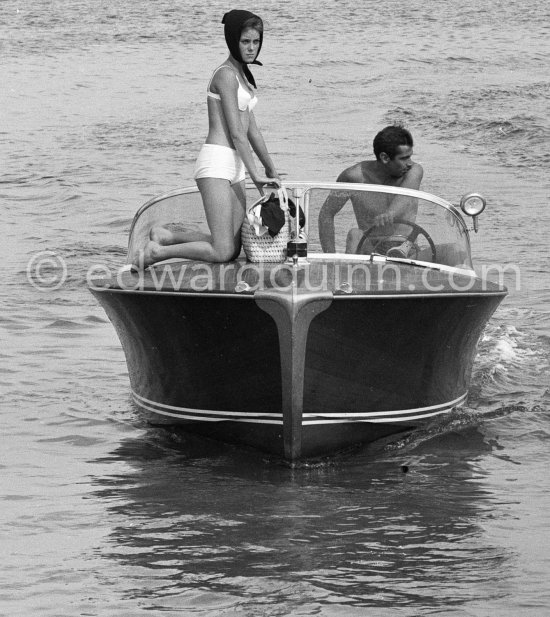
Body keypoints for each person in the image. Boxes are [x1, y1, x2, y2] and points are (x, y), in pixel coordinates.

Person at [133, 10, 280, 268]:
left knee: (234, 248)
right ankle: (155, 253)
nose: (251, 48)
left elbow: (252, 130)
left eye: (256, 42)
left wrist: (270, 168)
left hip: (236, 165)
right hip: (216, 163)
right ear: (232, 40)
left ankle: (167, 236)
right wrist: (256, 174)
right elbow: (236, 132)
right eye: (245, 41)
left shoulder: (243, 76)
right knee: (222, 250)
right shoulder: (225, 75)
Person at [318, 125, 423, 253]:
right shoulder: (353, 177)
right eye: (404, 158)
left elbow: (405, 196)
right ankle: (348, 271)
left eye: (410, 156)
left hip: (406, 250)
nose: (410, 163)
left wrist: (390, 213)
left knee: (453, 249)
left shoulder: (414, 171)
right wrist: (331, 258)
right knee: (355, 234)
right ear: (385, 158)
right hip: (370, 250)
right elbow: (326, 214)